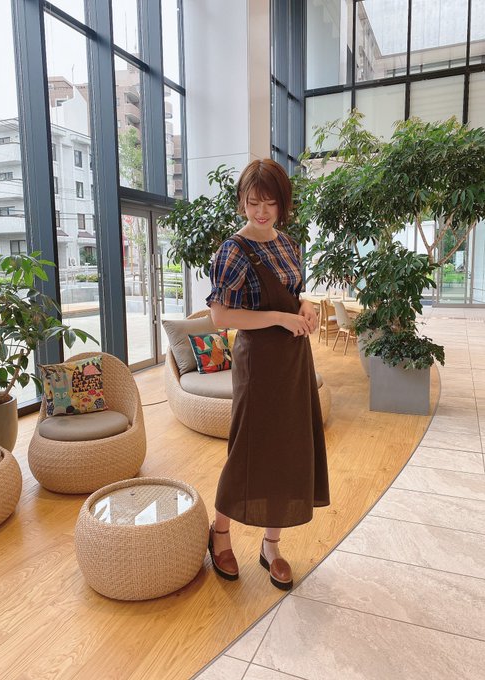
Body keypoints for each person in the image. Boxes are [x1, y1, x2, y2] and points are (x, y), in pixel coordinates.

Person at [206, 158, 330, 590]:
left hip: (294, 359)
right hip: (257, 362)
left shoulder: (289, 245)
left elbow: (295, 293)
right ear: (242, 202)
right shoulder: (233, 250)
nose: (261, 212)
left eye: (270, 203)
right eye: (253, 202)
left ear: (282, 204)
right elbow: (220, 316)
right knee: (247, 447)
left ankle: (270, 545)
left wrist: (306, 307)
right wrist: (279, 317)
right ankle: (220, 533)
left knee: (288, 450)